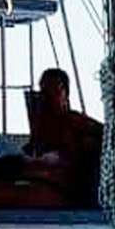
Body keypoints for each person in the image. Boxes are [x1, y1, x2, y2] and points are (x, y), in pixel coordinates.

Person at [24, 68, 103, 200]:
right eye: (45, 92)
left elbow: (105, 135)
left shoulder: (75, 121)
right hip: (45, 179)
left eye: (54, 91)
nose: (48, 97)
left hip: (67, 187)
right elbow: (33, 150)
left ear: (65, 93)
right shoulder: (43, 123)